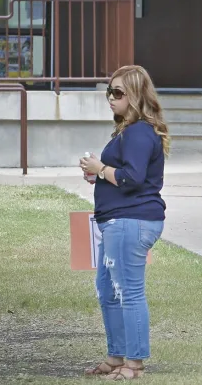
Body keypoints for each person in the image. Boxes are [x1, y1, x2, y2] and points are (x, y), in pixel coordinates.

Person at [79, 65, 169, 380]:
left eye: (118, 93)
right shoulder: (126, 131)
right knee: (107, 288)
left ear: (134, 96)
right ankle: (116, 356)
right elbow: (122, 176)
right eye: (110, 92)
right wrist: (98, 174)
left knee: (128, 291)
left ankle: (134, 364)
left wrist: (100, 168)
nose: (111, 98)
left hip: (131, 220)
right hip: (118, 220)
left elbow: (132, 179)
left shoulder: (139, 131)